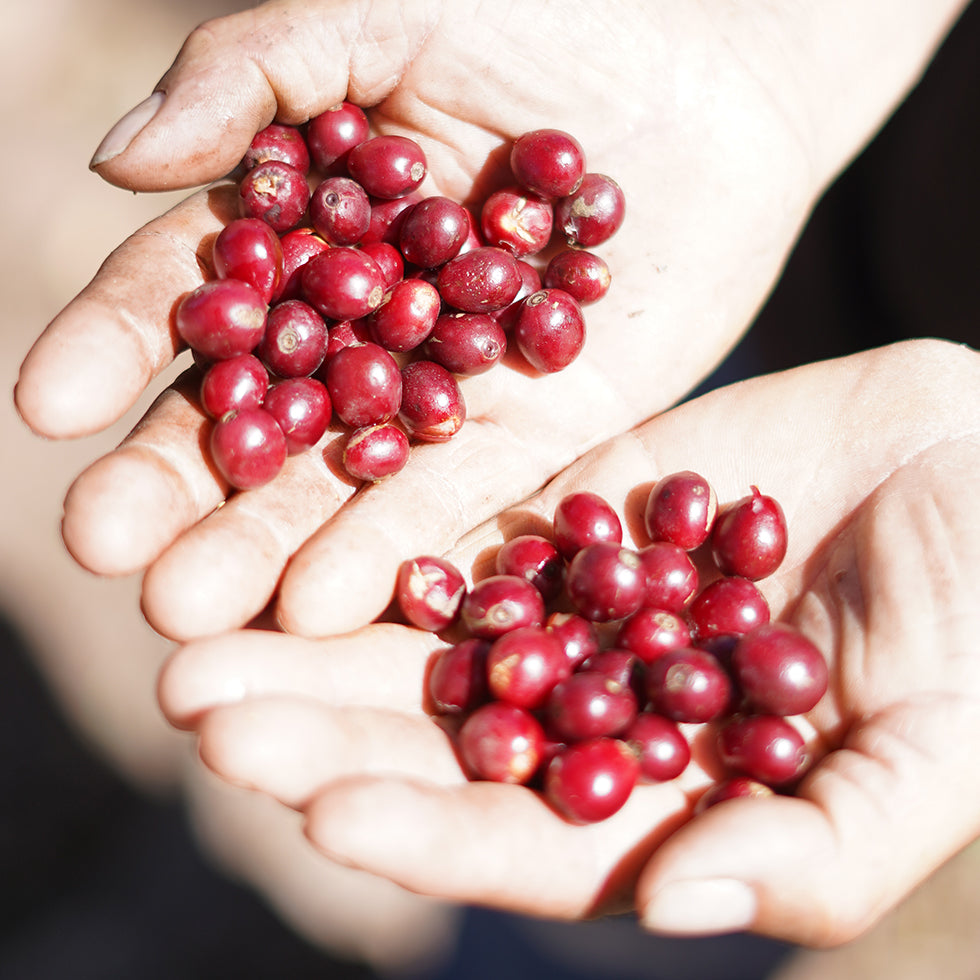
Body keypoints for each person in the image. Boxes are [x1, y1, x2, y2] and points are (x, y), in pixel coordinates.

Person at [13, 0, 980, 970]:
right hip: (771, 223)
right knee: (562, 867)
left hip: (887, 423)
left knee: (653, 877)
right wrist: (758, 39)